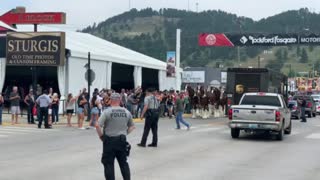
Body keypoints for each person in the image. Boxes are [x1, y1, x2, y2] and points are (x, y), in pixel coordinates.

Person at [95, 93, 135, 180]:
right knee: (123, 163)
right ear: (120, 100)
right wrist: (124, 133)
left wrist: (101, 136)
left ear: (110, 100)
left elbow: (97, 125)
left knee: (109, 164)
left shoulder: (107, 112)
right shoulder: (126, 112)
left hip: (109, 141)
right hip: (122, 140)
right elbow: (132, 126)